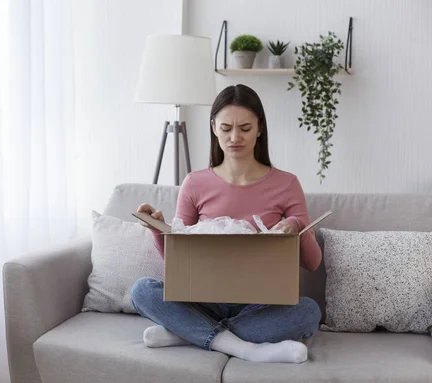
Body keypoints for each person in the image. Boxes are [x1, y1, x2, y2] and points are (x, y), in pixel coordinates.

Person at [131, 84, 322, 364]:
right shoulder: (195, 183)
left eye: (245, 128)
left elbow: (313, 262)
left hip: (260, 303)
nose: (235, 137)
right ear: (213, 128)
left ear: (259, 128)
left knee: (309, 311)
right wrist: (158, 229)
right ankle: (247, 348)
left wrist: (297, 226)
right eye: (226, 128)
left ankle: (187, 334)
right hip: (203, 298)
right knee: (141, 290)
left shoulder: (286, 184)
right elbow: (174, 259)